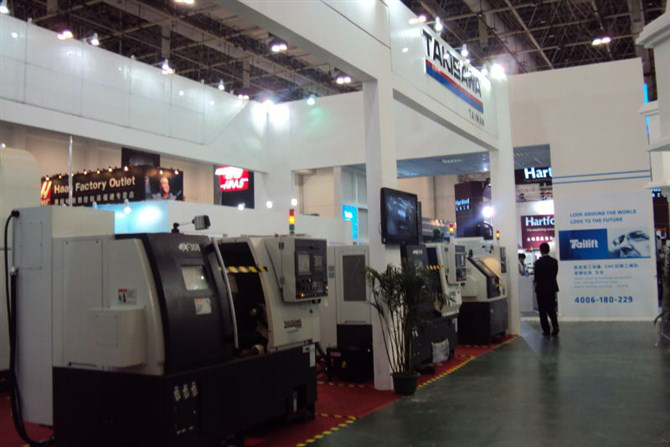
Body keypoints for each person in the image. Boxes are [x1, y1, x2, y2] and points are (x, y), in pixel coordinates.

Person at [534, 242, 559, 337]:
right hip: (551, 288)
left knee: (542, 311)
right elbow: (554, 275)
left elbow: (536, 277)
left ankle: (546, 330)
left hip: (541, 289)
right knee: (552, 309)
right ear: (549, 250)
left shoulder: (538, 263)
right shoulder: (554, 262)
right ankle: (555, 327)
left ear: (541, 251)